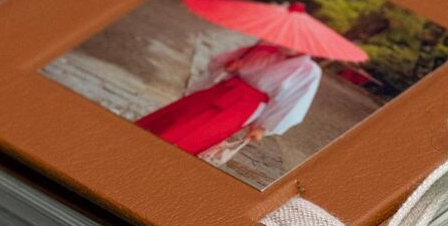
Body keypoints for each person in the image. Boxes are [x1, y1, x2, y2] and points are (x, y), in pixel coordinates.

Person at [136, 42, 322, 156]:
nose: (285, 44)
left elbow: (294, 102)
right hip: (222, 89)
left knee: (198, 133)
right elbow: (219, 62)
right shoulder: (263, 49)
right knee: (176, 117)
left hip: (244, 105)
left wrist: (264, 127)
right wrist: (231, 65)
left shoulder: (308, 71)